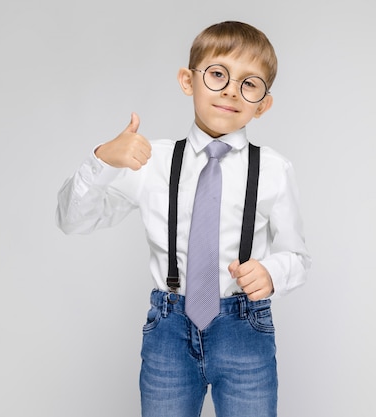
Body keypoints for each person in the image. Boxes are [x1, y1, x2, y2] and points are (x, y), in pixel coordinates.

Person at [56, 21, 311, 417]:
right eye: (217, 74)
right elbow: (73, 219)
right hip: (169, 329)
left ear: (263, 104)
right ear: (187, 81)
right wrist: (103, 159)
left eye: (249, 83)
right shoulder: (150, 161)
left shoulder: (275, 169)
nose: (230, 90)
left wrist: (274, 272)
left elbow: (297, 255)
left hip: (245, 328)